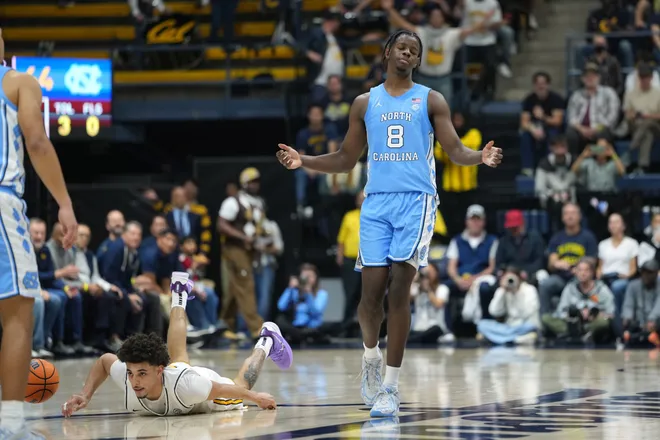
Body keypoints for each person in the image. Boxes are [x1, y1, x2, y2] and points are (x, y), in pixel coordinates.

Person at [276, 29, 502, 417]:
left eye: (414, 51)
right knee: (369, 297)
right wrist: (305, 161)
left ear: (417, 61)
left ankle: (390, 389)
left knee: (400, 289)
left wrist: (480, 158)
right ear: (387, 52)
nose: (407, 53)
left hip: (417, 202)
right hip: (376, 202)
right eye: (402, 47)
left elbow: (455, 150)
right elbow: (347, 158)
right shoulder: (365, 103)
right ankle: (370, 357)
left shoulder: (431, 99)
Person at [61, 271, 292, 418]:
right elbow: (104, 361)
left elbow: (222, 389)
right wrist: (86, 394)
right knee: (179, 355)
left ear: (159, 369)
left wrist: (257, 398)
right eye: (131, 373)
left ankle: (266, 341)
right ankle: (179, 291)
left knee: (243, 385)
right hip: (178, 374)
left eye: (142, 373)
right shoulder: (127, 377)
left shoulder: (189, 387)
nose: (135, 381)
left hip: (195, 387)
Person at [0, 29, 78, 439]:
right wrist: (64, 203)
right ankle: (11, 427)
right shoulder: (17, 81)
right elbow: (37, 141)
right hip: (1, 202)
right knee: (17, 314)